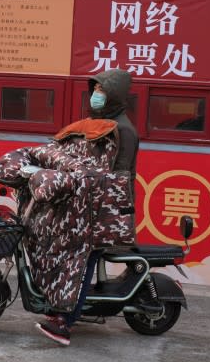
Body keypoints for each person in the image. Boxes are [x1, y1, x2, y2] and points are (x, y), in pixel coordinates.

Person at [35, 68, 139, 346]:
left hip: (104, 211)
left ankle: (63, 322)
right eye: (95, 90)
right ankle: (59, 302)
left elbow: (117, 178)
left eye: (102, 91)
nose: (96, 95)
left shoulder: (123, 131)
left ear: (114, 95)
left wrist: (81, 180)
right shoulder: (96, 123)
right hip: (85, 206)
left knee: (80, 260)